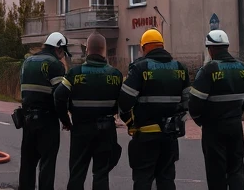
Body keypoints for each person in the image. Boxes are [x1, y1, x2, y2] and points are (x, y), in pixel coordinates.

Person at [118, 28, 189, 190]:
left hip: (145, 136)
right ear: (162, 46)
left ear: (144, 48)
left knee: (143, 179)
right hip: (170, 136)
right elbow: (187, 103)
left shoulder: (140, 68)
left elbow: (124, 101)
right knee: (166, 179)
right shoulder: (180, 68)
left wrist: (130, 122)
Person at [189, 30, 244, 190]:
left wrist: (201, 120)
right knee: (236, 170)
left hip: (214, 129)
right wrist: (238, 110)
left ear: (211, 49)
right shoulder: (243, 68)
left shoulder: (208, 70)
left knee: (216, 172)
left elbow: (194, 103)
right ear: (226, 47)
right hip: (235, 127)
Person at [54, 32, 123, 190]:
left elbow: (58, 96)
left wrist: (66, 121)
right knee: (101, 174)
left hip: (81, 130)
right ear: (104, 50)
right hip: (106, 130)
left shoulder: (74, 73)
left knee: (77, 173)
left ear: (87, 51)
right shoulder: (116, 75)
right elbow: (124, 102)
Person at [19, 31, 69, 190]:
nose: (62, 57)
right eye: (63, 53)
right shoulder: (55, 64)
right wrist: (65, 120)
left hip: (27, 119)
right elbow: (59, 97)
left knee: (27, 163)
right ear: (58, 48)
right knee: (47, 164)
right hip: (47, 121)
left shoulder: (28, 61)